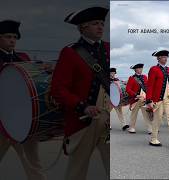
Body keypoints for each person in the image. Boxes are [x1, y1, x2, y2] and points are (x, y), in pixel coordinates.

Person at [50, 7, 109, 180]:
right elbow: (58, 90)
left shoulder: (108, 48)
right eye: (95, 24)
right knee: (77, 169)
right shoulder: (70, 52)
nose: (100, 27)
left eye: (102, 24)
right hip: (84, 120)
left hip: (107, 118)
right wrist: (82, 107)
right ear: (83, 28)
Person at [0, 19, 47, 180]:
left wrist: (44, 69)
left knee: (34, 165)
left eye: (14, 37)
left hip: (24, 121)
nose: (12, 40)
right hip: (1, 122)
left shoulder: (23, 58)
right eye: (8, 36)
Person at [125, 63, 152, 134]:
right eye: (139, 68)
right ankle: (132, 127)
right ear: (135, 69)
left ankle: (150, 128)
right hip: (136, 99)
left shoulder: (145, 77)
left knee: (146, 114)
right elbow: (128, 89)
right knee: (134, 114)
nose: (141, 70)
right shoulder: (131, 78)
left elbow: (148, 87)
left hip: (144, 99)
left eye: (141, 68)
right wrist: (136, 95)